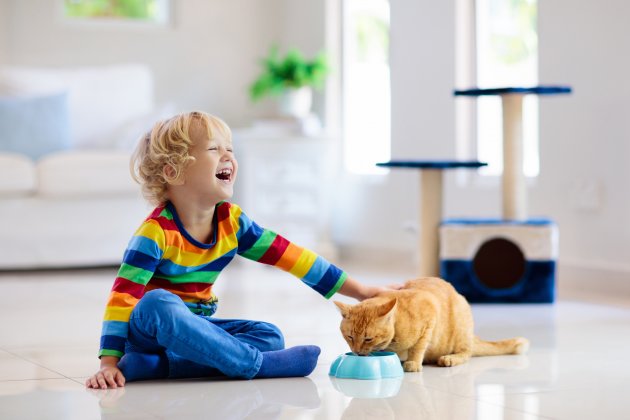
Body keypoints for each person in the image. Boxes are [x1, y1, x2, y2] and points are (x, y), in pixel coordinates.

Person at [86, 111, 398, 389]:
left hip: (198, 332)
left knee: (269, 335)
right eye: (213, 149)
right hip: (148, 334)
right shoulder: (155, 233)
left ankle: (159, 368)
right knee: (157, 303)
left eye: (230, 149)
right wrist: (109, 364)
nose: (228, 156)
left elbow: (295, 258)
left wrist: (360, 291)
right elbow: (122, 299)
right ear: (173, 172)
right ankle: (253, 366)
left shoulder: (232, 223)